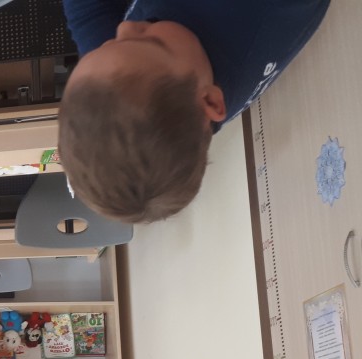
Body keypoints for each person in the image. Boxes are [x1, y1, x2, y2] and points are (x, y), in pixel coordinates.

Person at [57, 0, 331, 223]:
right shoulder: (260, 12)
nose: (125, 27)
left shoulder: (144, 79)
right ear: (211, 102)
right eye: (150, 42)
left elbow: (88, 14)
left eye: (108, 46)